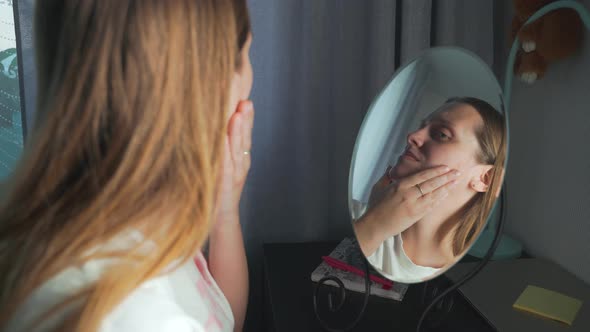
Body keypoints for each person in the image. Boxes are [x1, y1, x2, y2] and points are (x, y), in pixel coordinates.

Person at [0, 1, 253, 331]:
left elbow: (217, 318)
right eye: (245, 55)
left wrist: (225, 214)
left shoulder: (98, 221)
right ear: (210, 89)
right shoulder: (148, 317)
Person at [353, 97, 506, 282]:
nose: (413, 136)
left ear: (486, 179)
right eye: (422, 126)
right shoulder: (355, 217)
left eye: (442, 134)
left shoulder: (468, 281)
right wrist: (372, 223)